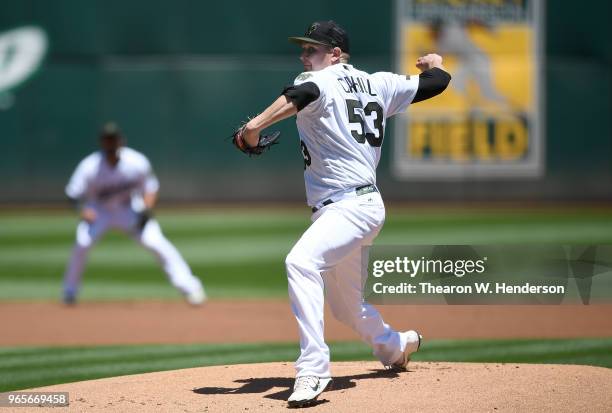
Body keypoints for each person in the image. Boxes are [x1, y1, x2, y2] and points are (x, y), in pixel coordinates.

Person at [236, 20, 451, 407]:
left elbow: (301, 93)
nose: (305, 55)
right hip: (358, 207)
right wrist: (434, 63)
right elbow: (437, 83)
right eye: (303, 49)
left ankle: (313, 370)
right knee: (346, 307)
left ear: (335, 54)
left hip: (349, 207)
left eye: (313, 49)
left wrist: (253, 127)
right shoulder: (380, 83)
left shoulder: (321, 78)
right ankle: (396, 346)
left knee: (300, 263)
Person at [62, 123, 206, 306]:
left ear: (121, 141)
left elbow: (150, 189)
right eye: (107, 139)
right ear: (101, 142)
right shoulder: (89, 166)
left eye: (113, 138)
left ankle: (191, 288)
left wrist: (146, 210)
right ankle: (69, 291)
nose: (111, 142)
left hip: (128, 209)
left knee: (157, 243)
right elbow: (72, 194)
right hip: (99, 211)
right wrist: (83, 211)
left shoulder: (136, 161)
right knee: (82, 244)